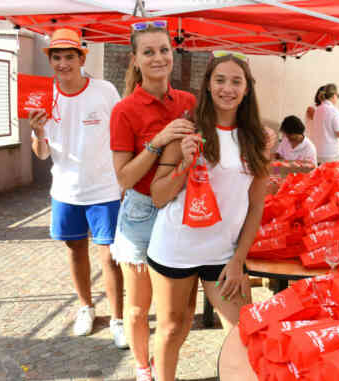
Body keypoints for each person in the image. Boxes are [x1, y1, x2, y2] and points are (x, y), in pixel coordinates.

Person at [146, 51, 270, 381]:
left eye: (236, 81)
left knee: (244, 332)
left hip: (224, 254)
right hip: (176, 248)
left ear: (247, 89)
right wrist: (183, 166)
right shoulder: (187, 128)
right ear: (208, 84)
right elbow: (158, 196)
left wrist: (238, 260)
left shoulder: (258, 139)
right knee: (174, 328)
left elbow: (256, 205)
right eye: (220, 80)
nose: (227, 88)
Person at [109, 20, 196, 381]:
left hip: (179, 208)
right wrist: (157, 141)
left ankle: (164, 364)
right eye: (149, 52)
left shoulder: (188, 102)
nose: (158, 57)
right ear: (135, 60)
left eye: (164, 50)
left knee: (178, 310)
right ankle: (144, 369)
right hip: (142, 213)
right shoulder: (124, 110)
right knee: (138, 309)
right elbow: (124, 178)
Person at [27, 28, 125, 345]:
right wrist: (38, 131)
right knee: (75, 250)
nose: (63, 63)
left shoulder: (104, 90)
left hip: (105, 188)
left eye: (69, 56)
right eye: (57, 57)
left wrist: (125, 177)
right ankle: (86, 307)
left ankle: (119, 318)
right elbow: (42, 153)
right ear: (51, 61)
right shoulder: (44, 96)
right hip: (66, 190)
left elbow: (122, 135)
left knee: (109, 257)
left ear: (81, 58)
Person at [310, 83, 339, 164]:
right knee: (330, 176)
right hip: (331, 153)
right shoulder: (334, 110)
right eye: (338, 96)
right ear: (334, 95)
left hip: (318, 151)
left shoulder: (318, 109)